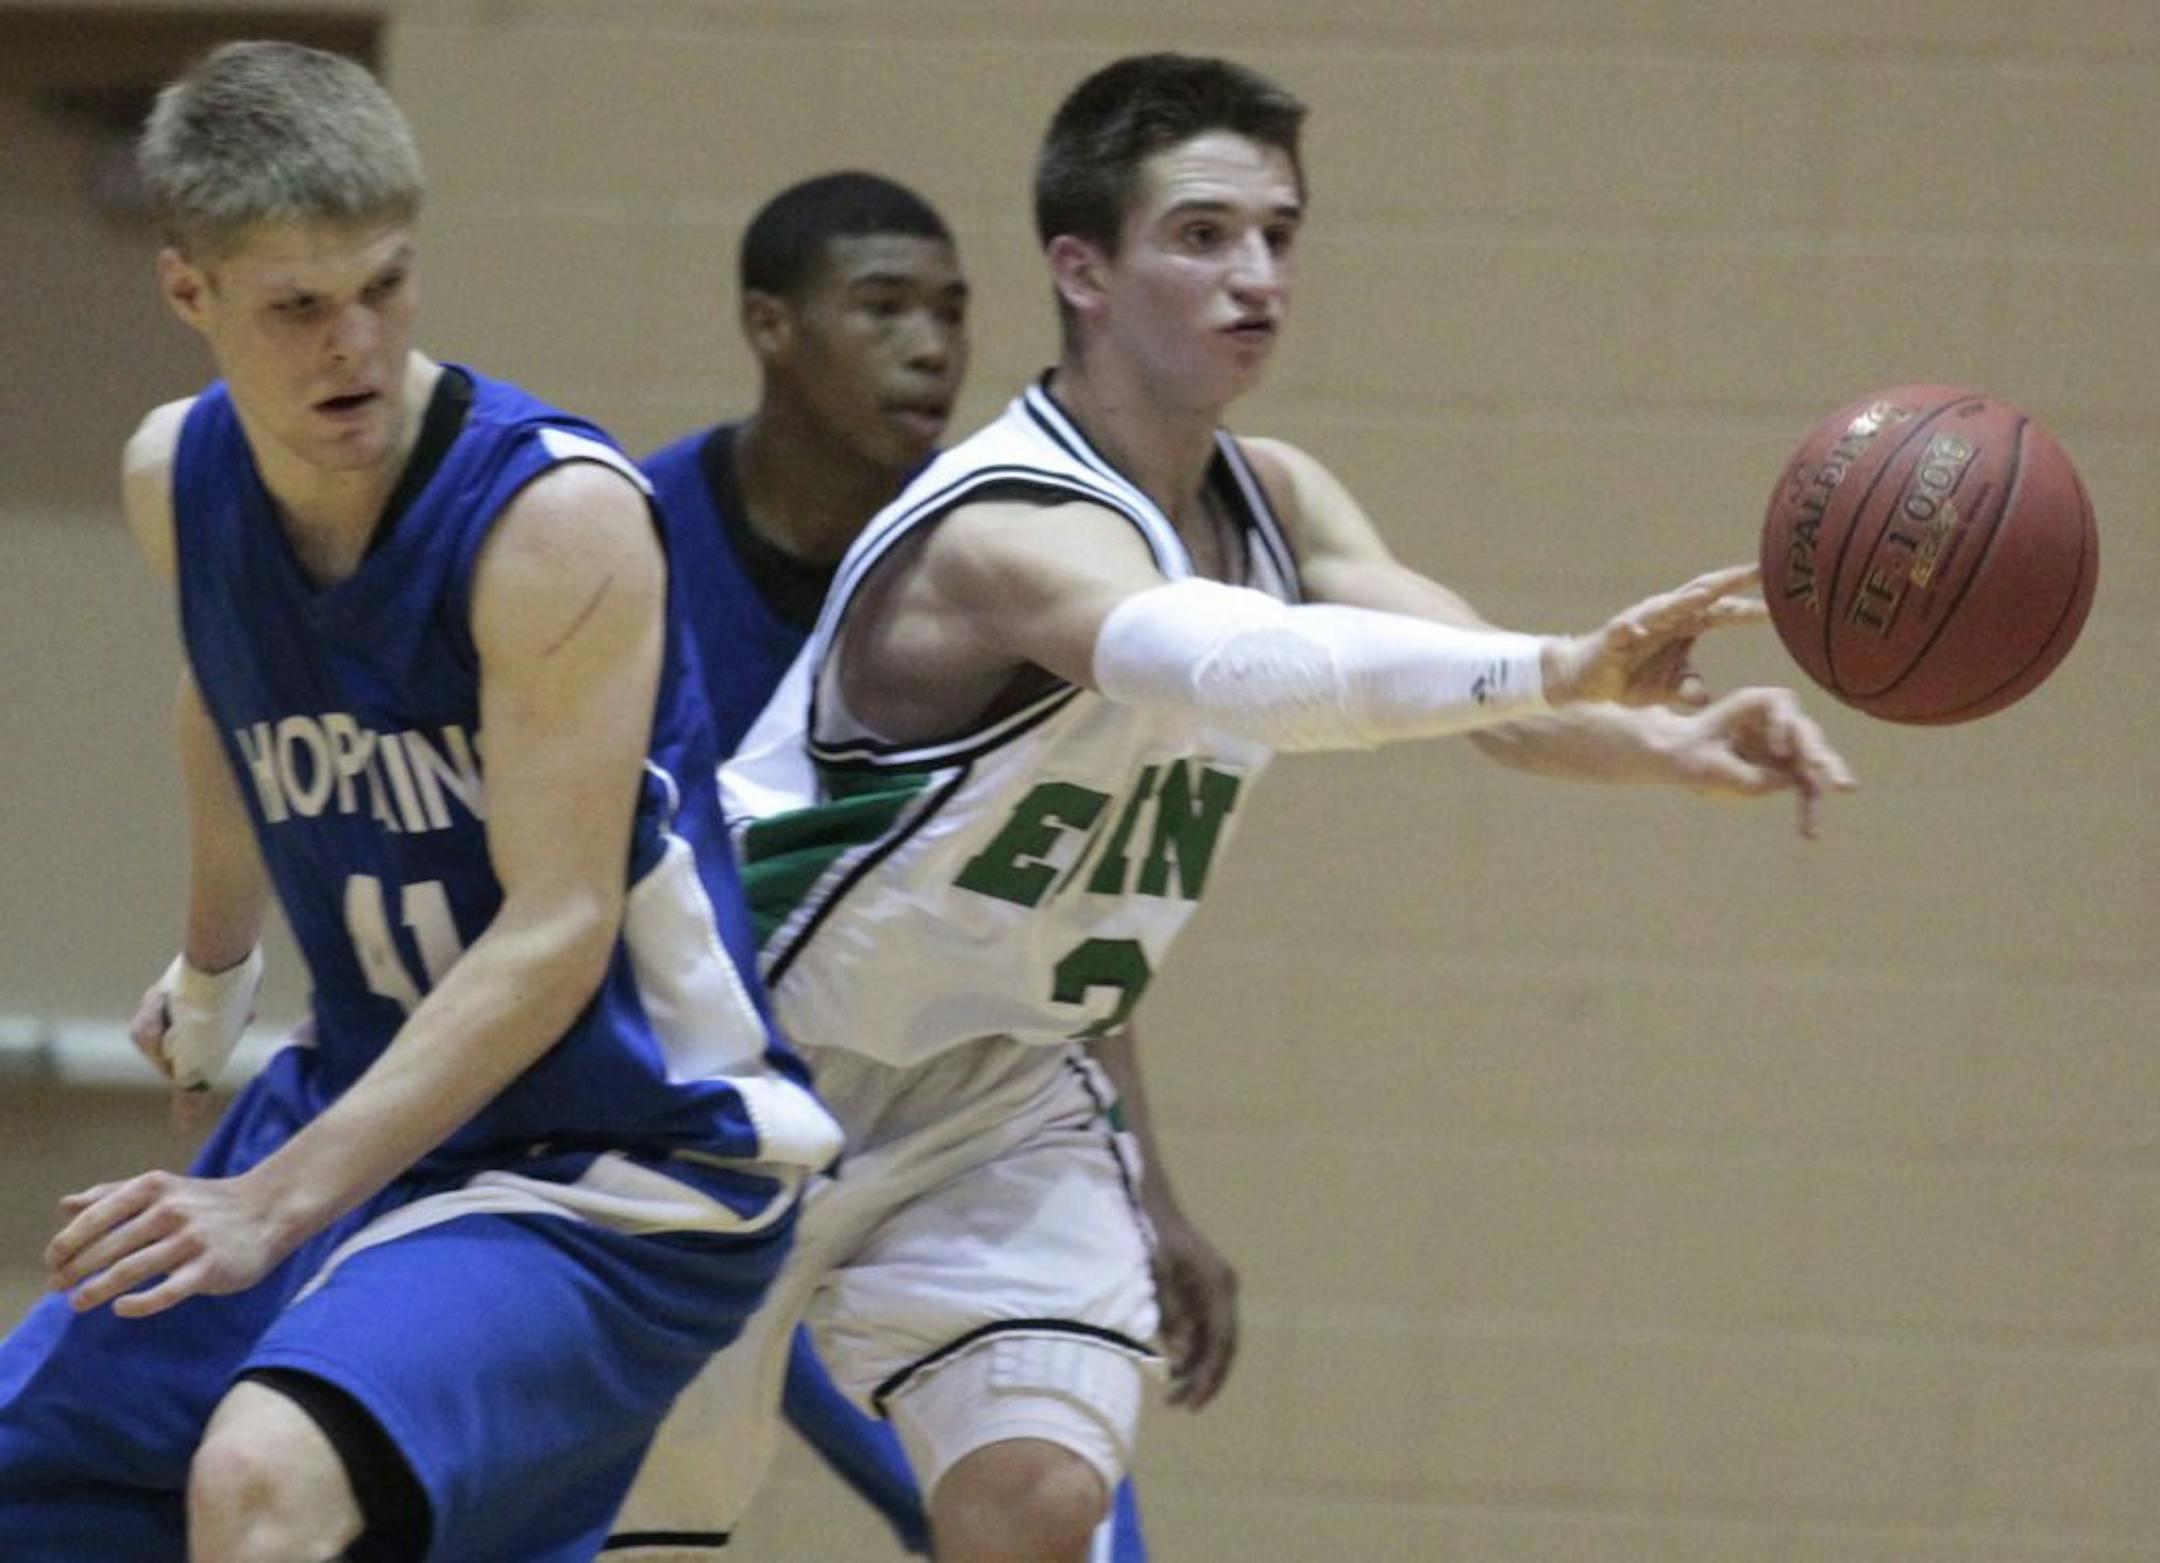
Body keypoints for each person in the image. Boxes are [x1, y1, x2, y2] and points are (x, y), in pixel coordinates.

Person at [621, 52, 1855, 1563]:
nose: (1257, 273)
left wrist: (1670, 738)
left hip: (999, 1092)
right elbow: (1238, 663)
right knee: (626, 1536)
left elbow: (1483, 698)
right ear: (1081, 268)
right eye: (1203, 234)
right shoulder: (1007, 524)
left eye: (1279, 233)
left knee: (1043, 1502)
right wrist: (1561, 664)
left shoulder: (1279, 495)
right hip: (739, 1068)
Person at [0, 41, 839, 1562]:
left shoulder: (551, 521)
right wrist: (212, 968)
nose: (356, 348)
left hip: (620, 1158)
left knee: (262, 1483)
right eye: (300, 308)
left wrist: (269, 1204)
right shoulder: (175, 477)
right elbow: (229, 698)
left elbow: (561, 928)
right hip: (376, 1104)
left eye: (384, 289)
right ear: (190, 294)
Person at [637, 172, 1210, 1558]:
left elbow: (1047, 900)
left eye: (952, 311)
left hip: (918, 1138)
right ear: (771, 327)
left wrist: (1147, 1182)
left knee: (1057, 1519)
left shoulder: (998, 557)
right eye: (883, 307)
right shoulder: (629, 544)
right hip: (681, 1138)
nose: (932, 346)